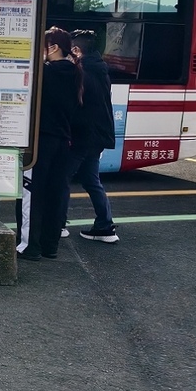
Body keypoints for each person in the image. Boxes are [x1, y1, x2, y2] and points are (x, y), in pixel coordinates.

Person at [17, 26, 83, 261]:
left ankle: (29, 246)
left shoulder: (46, 73)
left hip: (41, 140)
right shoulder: (75, 72)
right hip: (63, 141)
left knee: (31, 194)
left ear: (53, 48)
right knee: (54, 193)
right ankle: (49, 245)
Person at [68, 29, 119, 243]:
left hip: (83, 135)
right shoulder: (100, 69)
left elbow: (77, 107)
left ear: (77, 51)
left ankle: (57, 224)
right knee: (91, 179)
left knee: (62, 178)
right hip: (97, 135)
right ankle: (105, 226)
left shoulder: (81, 72)